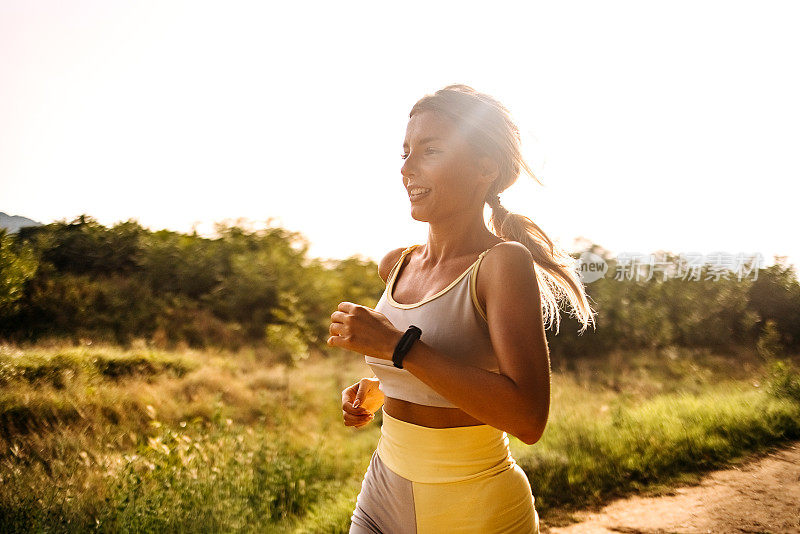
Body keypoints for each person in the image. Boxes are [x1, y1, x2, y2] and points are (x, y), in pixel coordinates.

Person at [327, 84, 596, 533]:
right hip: (382, 493)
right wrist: (381, 385)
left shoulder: (502, 264)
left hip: (475, 508)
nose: (407, 168)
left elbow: (528, 418)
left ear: (484, 167)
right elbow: (438, 367)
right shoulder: (397, 264)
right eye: (405, 152)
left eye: (430, 151)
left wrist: (398, 349)